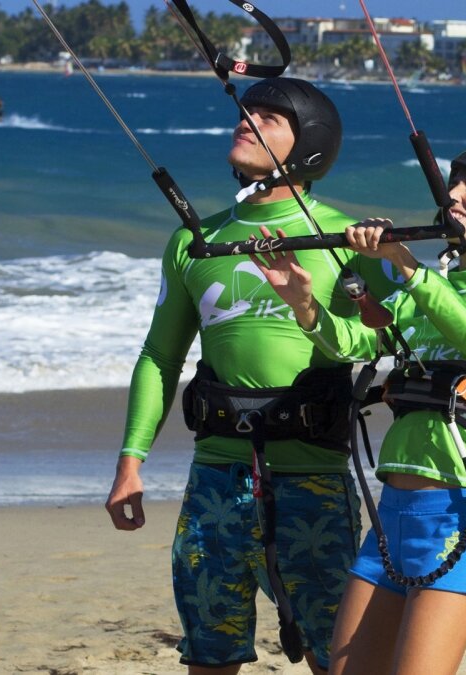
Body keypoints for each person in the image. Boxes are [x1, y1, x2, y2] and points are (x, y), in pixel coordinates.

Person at [104, 77, 398, 675]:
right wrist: (130, 463)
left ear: (308, 146)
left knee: (336, 658)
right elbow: (160, 356)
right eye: (248, 110)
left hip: (311, 479)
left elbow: (396, 340)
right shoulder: (195, 241)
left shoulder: (348, 240)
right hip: (215, 479)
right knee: (209, 657)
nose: (248, 119)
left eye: (270, 118)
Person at [250, 146, 466, 675]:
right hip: (393, 513)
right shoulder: (430, 287)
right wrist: (303, 303)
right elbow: (351, 342)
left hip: (462, 509)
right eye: (452, 185)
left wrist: (406, 267)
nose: (453, 195)